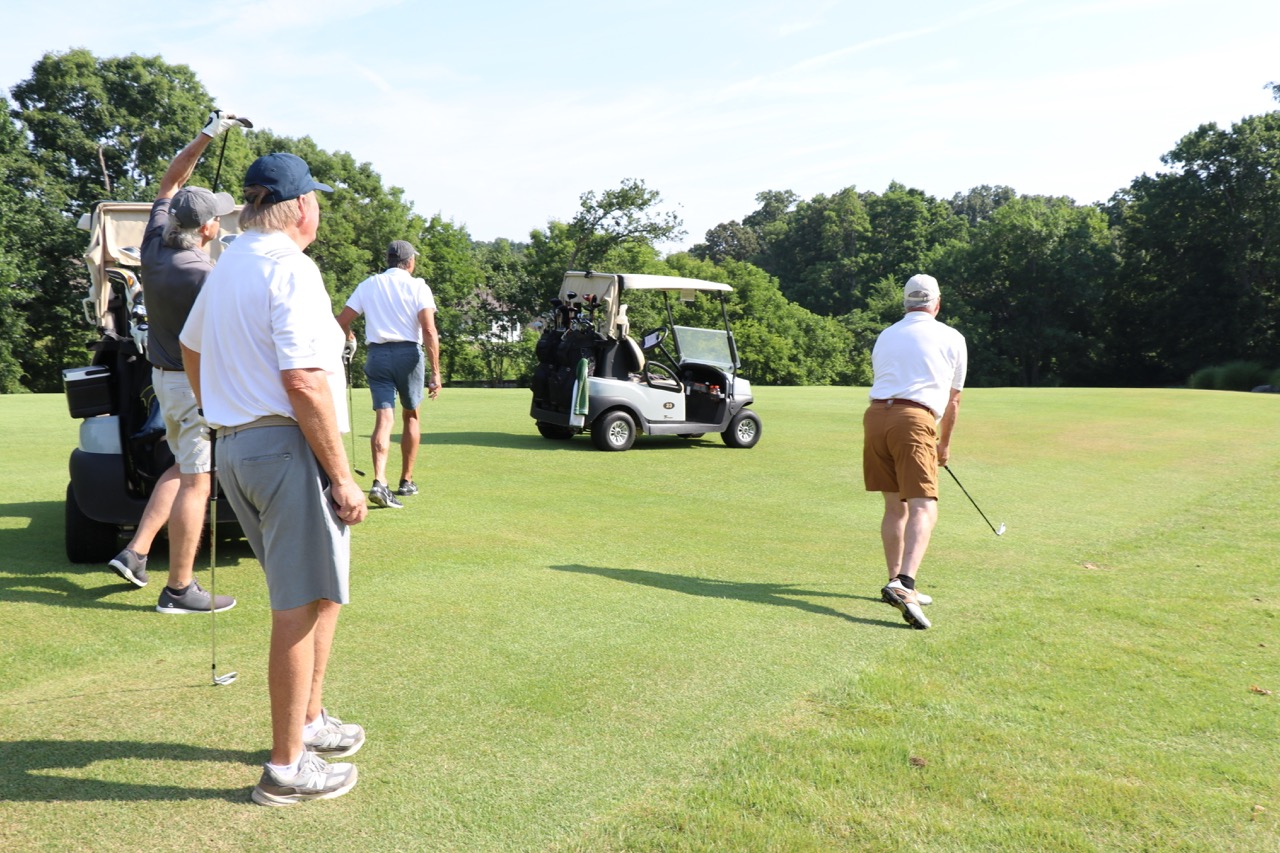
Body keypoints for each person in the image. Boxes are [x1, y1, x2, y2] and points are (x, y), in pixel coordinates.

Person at [180, 152, 369, 806]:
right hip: (283, 446)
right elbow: (304, 380)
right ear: (299, 208)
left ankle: (310, 718)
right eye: (315, 199)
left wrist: (216, 411)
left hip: (236, 446)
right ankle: (286, 767)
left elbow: (190, 346)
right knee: (297, 604)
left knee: (321, 591)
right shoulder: (290, 266)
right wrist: (342, 477)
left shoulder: (230, 261)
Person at [107, 110, 248, 614]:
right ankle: (179, 589)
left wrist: (208, 134)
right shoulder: (205, 275)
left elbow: (172, 178)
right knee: (197, 479)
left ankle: (136, 552)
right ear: (209, 227)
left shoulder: (154, 244)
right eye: (218, 217)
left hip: (165, 381)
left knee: (178, 465)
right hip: (193, 386)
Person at [863, 273, 967, 630]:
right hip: (913, 418)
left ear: (906, 303)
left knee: (896, 506)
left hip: (876, 417)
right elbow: (953, 400)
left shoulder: (887, 334)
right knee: (925, 505)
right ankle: (904, 585)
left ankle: (895, 580)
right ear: (936, 303)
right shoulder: (952, 336)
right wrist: (944, 445)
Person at [336, 240, 442, 509]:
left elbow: (341, 320)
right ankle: (406, 481)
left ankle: (379, 481)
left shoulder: (369, 284)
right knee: (411, 415)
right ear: (409, 262)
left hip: (377, 356)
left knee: (384, 418)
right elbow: (429, 330)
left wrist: (348, 335)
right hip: (408, 355)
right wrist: (436, 373)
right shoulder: (418, 286)